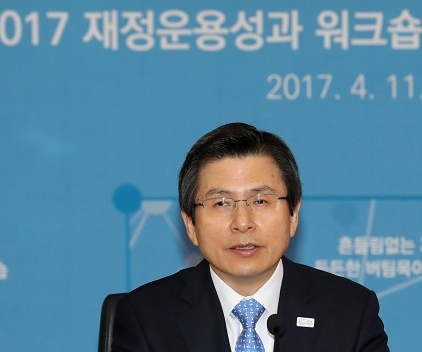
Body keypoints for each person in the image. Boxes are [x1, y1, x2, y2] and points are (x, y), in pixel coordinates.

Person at [111, 122, 389, 352]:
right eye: (221, 203)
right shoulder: (145, 318)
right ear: (190, 224)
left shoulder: (350, 313)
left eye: (260, 201)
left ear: (293, 215)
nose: (242, 223)